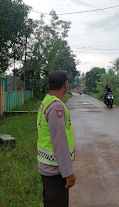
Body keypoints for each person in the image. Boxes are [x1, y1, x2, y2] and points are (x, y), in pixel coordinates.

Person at [37, 71, 75, 207]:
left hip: (47, 166)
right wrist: (68, 172)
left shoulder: (47, 100)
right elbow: (59, 142)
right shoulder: (56, 106)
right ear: (65, 84)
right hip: (54, 171)